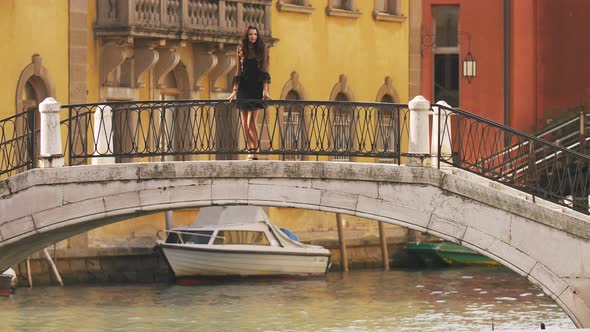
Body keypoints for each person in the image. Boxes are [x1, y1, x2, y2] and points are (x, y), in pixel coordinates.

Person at [227, 26, 271, 160]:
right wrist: (234, 92)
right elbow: (238, 72)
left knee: (252, 122)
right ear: (247, 36)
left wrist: (265, 90)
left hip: (256, 87)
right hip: (243, 88)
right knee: (244, 124)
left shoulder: (262, 49)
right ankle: (249, 150)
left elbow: (264, 70)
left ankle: (255, 151)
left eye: (255, 34)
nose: (253, 36)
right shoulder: (241, 50)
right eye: (251, 34)